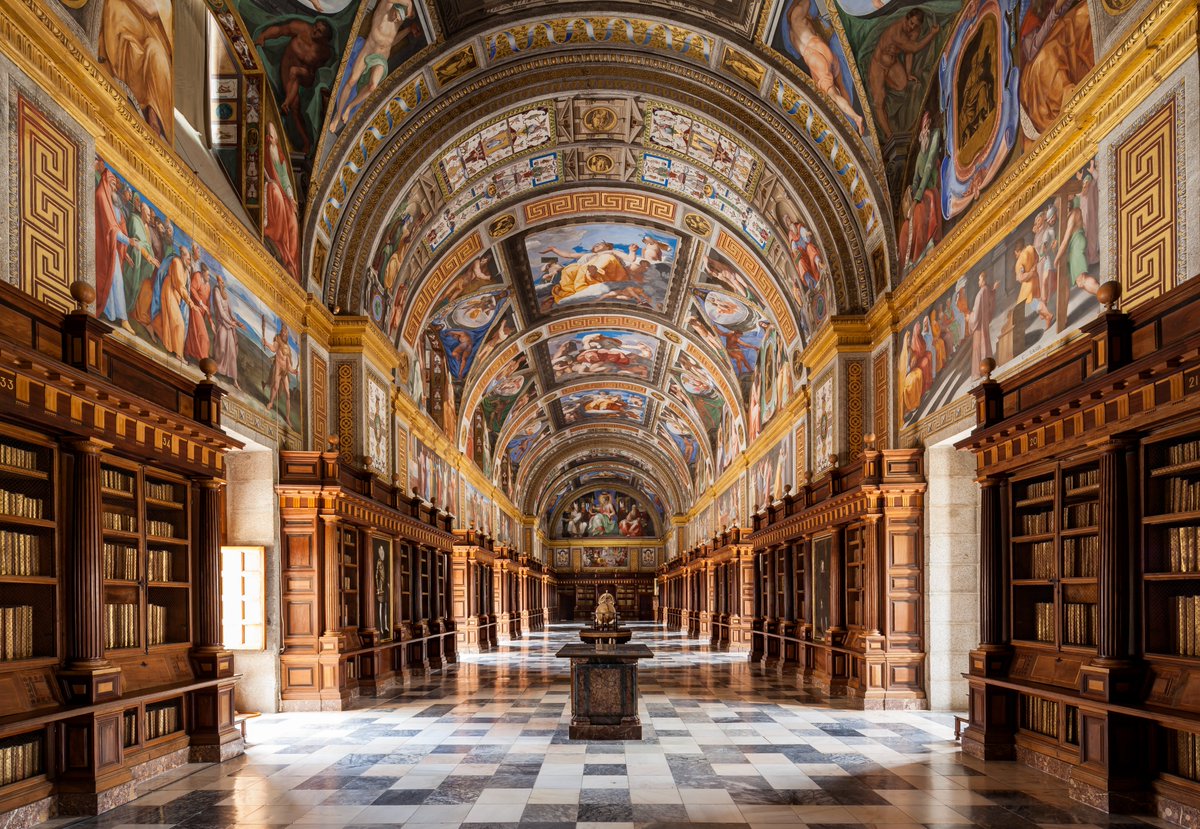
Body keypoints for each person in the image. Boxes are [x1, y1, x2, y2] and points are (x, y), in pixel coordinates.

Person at [254, 18, 335, 153]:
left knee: (295, 72)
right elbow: (280, 31)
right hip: (287, 68)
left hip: (305, 76)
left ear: (325, 38)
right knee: (295, 107)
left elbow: (314, 72)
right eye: (315, 27)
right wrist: (263, 36)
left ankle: (287, 102)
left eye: (319, 32)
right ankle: (305, 141)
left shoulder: (324, 52)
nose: (314, 31)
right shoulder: (301, 28)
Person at [785, 0, 864, 133]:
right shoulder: (799, 15)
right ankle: (852, 121)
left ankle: (855, 118)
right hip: (823, 48)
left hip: (814, 58)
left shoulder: (792, 34)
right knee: (841, 86)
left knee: (832, 94)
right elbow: (807, 3)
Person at [98, 0, 173, 138]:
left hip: (150, 47)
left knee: (155, 52)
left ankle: (154, 114)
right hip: (129, 42)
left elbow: (150, 9)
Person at [867, 10, 940, 137]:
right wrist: (932, 34)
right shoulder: (896, 31)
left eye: (915, 25)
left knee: (903, 84)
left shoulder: (914, 31)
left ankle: (887, 93)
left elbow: (909, 53)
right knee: (879, 100)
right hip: (878, 64)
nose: (912, 27)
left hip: (893, 62)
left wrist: (908, 72)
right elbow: (914, 47)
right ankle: (889, 135)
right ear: (907, 18)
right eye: (911, 23)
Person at [94, 165, 136, 333]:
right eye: (112, 186)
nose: (113, 189)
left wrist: (125, 253)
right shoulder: (101, 196)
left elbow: (114, 228)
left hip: (110, 248)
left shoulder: (109, 201)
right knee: (115, 280)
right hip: (104, 248)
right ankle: (121, 317)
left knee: (114, 281)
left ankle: (112, 314)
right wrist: (129, 241)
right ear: (106, 182)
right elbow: (112, 229)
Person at [263, 123, 300, 278]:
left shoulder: (280, 155)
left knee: (293, 216)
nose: (271, 138)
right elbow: (262, 170)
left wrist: (291, 197)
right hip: (270, 186)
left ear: (277, 138)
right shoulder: (265, 150)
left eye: (273, 135)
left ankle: (290, 257)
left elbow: (285, 178)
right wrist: (269, 180)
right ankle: (276, 236)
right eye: (268, 135)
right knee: (275, 192)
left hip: (284, 192)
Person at [209, 271, 247, 388]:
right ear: (217, 282)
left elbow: (230, 312)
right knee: (222, 349)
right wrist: (230, 322)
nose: (222, 283)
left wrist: (238, 323)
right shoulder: (216, 291)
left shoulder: (225, 294)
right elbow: (220, 311)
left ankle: (234, 380)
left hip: (230, 326)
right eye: (220, 281)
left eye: (222, 281)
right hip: (222, 323)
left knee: (232, 354)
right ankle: (215, 370)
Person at [263, 320, 298, 423]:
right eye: (283, 332)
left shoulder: (288, 348)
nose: (284, 334)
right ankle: (271, 403)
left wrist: (293, 371)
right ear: (281, 332)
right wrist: (266, 343)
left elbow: (289, 364)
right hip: (278, 367)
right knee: (275, 386)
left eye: (286, 333)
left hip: (285, 371)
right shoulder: (277, 340)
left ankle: (287, 416)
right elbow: (273, 349)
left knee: (288, 394)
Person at [967, 272, 997, 377]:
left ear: (983, 280)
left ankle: (977, 373)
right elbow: (990, 301)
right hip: (984, 325)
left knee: (977, 349)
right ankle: (987, 364)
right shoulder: (986, 290)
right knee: (985, 344)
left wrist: (969, 317)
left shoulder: (980, 294)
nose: (978, 282)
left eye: (979, 279)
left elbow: (975, 317)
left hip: (978, 328)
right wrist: (994, 290)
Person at [184, 262, 213, 361]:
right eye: (208, 275)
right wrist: (200, 303)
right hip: (194, 308)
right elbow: (192, 288)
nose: (209, 277)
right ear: (203, 273)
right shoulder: (197, 276)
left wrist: (211, 322)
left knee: (193, 333)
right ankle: (204, 359)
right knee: (204, 337)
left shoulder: (208, 286)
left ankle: (188, 352)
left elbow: (208, 304)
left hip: (201, 313)